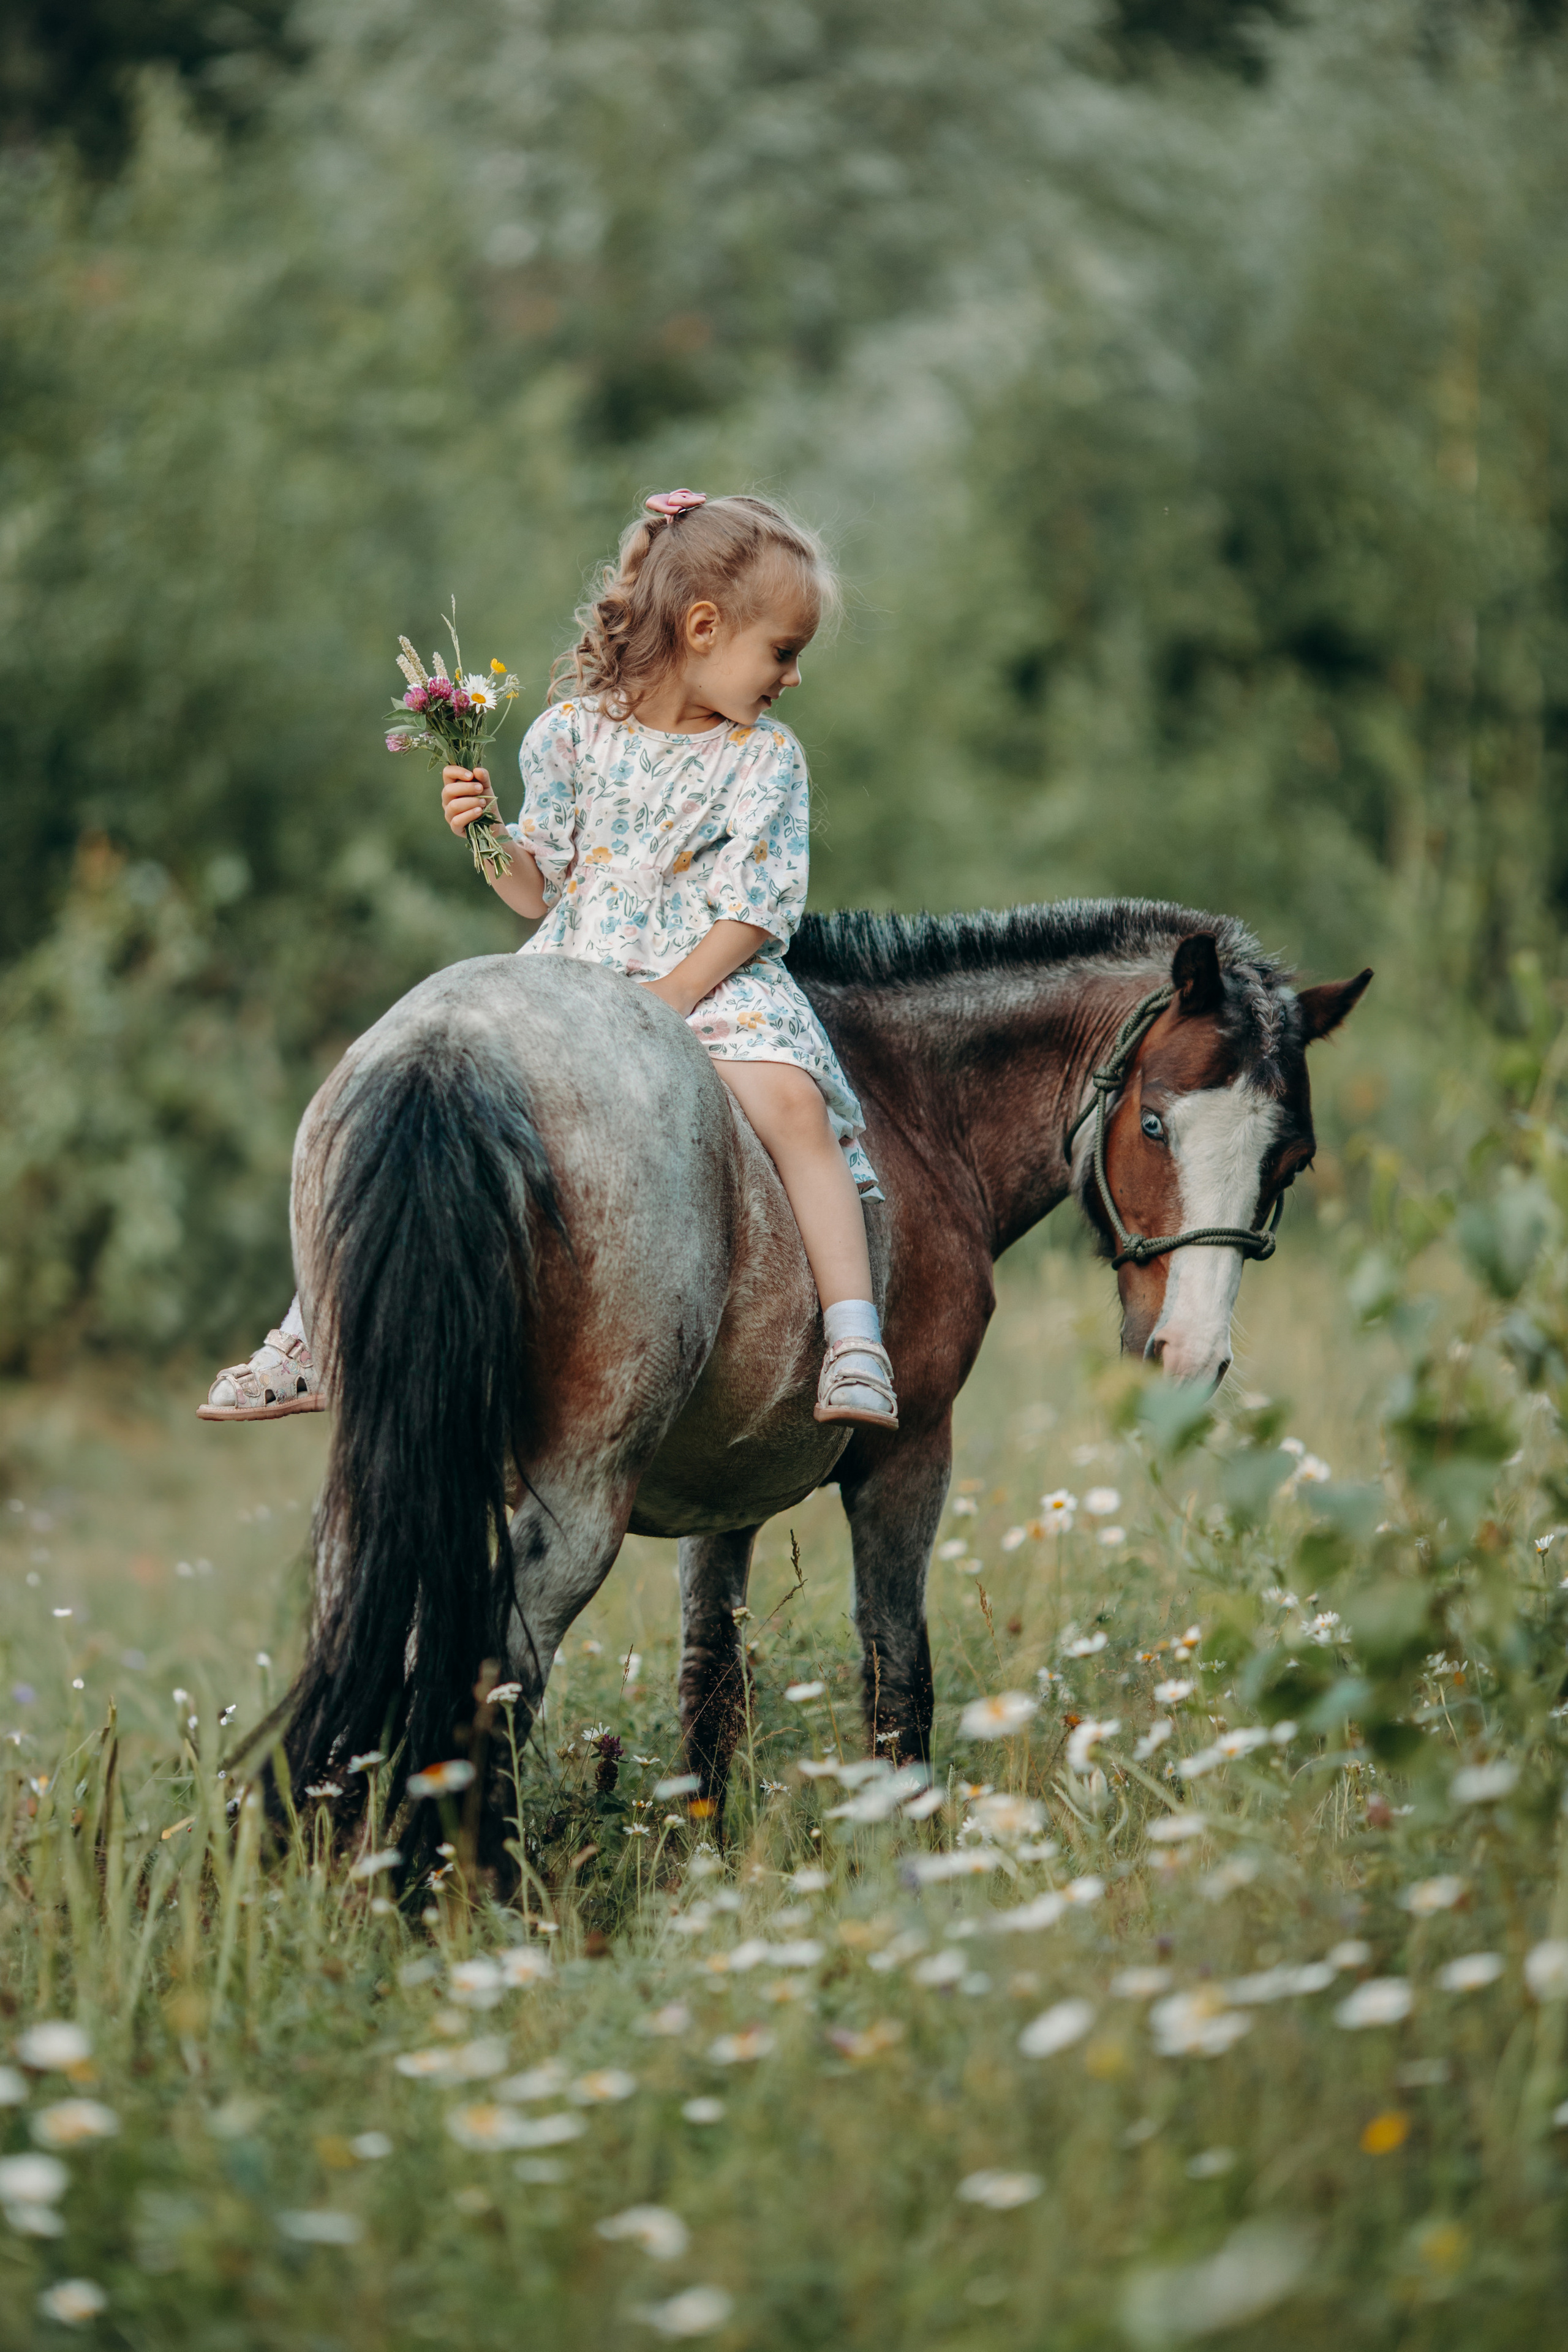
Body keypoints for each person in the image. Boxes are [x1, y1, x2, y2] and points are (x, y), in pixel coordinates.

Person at [199, 489, 898, 1431]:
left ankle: (855, 1342)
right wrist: (486, 831)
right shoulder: (571, 734)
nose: (794, 677)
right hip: (578, 970)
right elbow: (539, 891)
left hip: (716, 978)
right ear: (703, 628)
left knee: (794, 1104)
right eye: (784, 651)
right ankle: (312, 1330)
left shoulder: (765, 759)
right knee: (439, 1111)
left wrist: (673, 996)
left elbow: (759, 906)